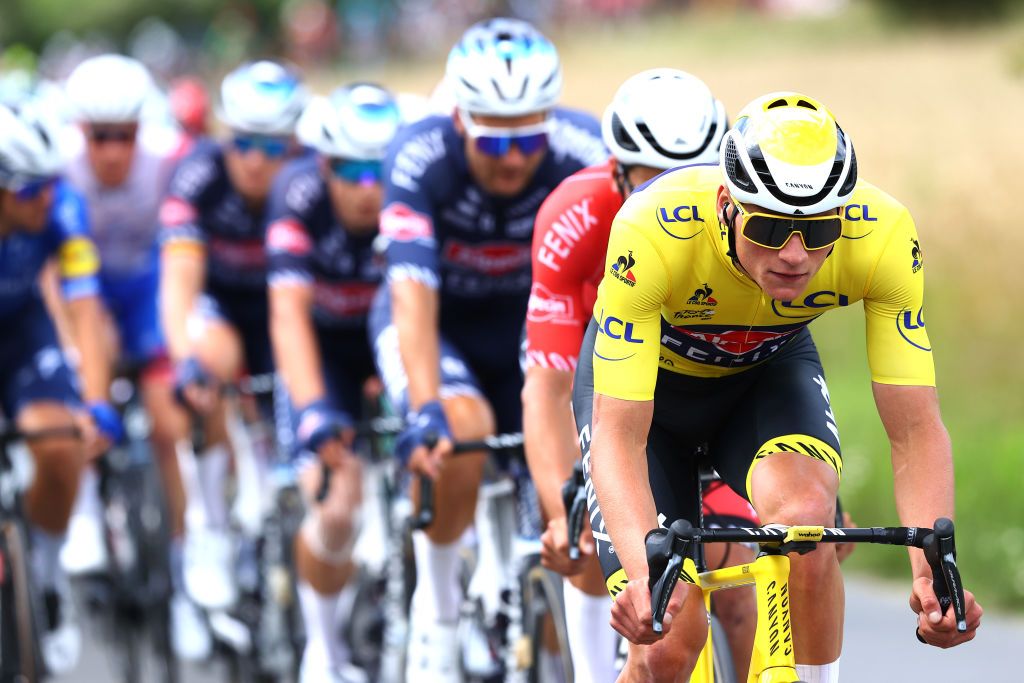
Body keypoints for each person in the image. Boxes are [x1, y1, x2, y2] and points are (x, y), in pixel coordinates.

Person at [575, 91, 984, 682]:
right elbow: (619, 434)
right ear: (726, 205)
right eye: (769, 228)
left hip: (763, 374)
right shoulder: (652, 229)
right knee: (667, 638)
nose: (796, 255)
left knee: (807, 527)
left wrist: (931, 573)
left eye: (819, 231)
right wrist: (645, 576)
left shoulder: (885, 235)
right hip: (648, 404)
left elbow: (916, 427)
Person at [369, 17, 606, 682]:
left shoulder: (583, 148)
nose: (511, 157)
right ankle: (438, 610)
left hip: (533, 329)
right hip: (437, 325)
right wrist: (424, 407)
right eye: (492, 138)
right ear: (459, 118)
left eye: (528, 136)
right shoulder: (418, 154)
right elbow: (411, 294)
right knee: (459, 432)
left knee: (571, 490)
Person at [523, 68, 766, 681]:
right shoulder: (574, 215)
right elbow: (550, 385)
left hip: (697, 388)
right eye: (651, 178)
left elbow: (774, 365)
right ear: (615, 170)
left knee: (738, 584)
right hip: (602, 372)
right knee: (587, 540)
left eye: (693, 173)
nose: (670, 193)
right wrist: (560, 507)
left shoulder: (741, 227)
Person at [59, 53, 211, 659]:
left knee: (168, 419)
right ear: (81, 133)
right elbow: (56, 274)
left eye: (124, 135)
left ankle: (181, 564)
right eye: (101, 136)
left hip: (147, 292)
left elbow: (182, 256)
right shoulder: (62, 171)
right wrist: (74, 344)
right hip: (87, 292)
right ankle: (88, 512)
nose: (113, 150)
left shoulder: (166, 163)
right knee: (80, 388)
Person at [159, 59, 308, 611]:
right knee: (208, 359)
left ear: (293, 143)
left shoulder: (312, 176)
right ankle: (211, 530)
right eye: (243, 142)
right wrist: (185, 361)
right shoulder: (197, 175)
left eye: (272, 147)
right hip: (220, 304)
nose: (254, 160)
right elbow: (178, 283)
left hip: (283, 308)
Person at [267, 82, 401, 683]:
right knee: (338, 506)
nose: (367, 188)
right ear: (324, 166)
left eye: (380, 171)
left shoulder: (410, 197)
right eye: (351, 171)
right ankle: (321, 651)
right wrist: (314, 409)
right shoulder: (295, 196)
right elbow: (288, 316)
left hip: (388, 343)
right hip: (323, 353)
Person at [0, 101, 119, 674]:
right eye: (27, 191)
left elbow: (84, 303)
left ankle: (47, 575)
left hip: (23, 331)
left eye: (49, 184)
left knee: (60, 442)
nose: (44, 198)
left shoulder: (62, 210)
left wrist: (94, 400)